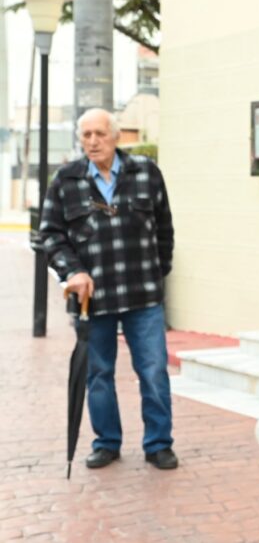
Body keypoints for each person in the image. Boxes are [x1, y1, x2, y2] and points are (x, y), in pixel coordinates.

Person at [39, 108, 177, 470]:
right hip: (92, 300)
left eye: (100, 133)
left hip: (143, 295)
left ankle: (159, 444)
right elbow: (50, 236)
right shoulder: (65, 180)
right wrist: (73, 271)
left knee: (153, 371)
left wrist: (157, 272)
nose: (93, 141)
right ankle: (107, 442)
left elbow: (164, 229)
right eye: (86, 135)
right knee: (98, 374)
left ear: (116, 136)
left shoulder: (146, 172)